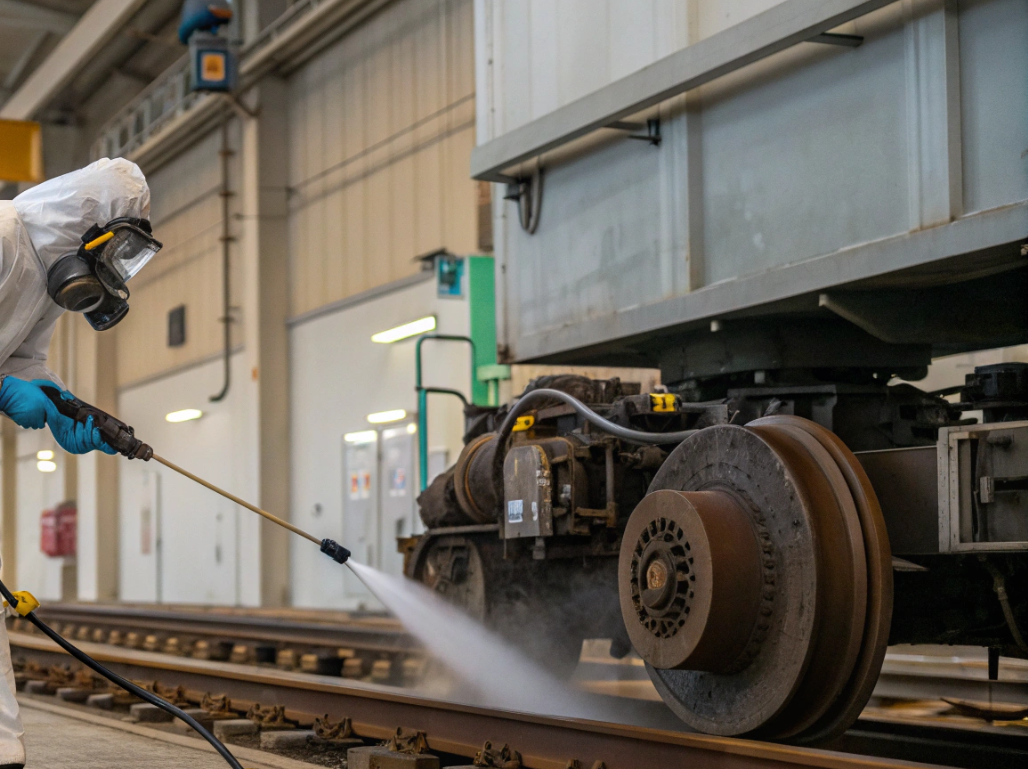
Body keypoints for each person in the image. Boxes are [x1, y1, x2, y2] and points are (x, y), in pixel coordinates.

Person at [0, 157, 160, 767]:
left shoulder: (44, 283)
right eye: (113, 246)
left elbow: (21, 360)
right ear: (82, 224)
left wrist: (63, 402)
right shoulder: (5, 238)